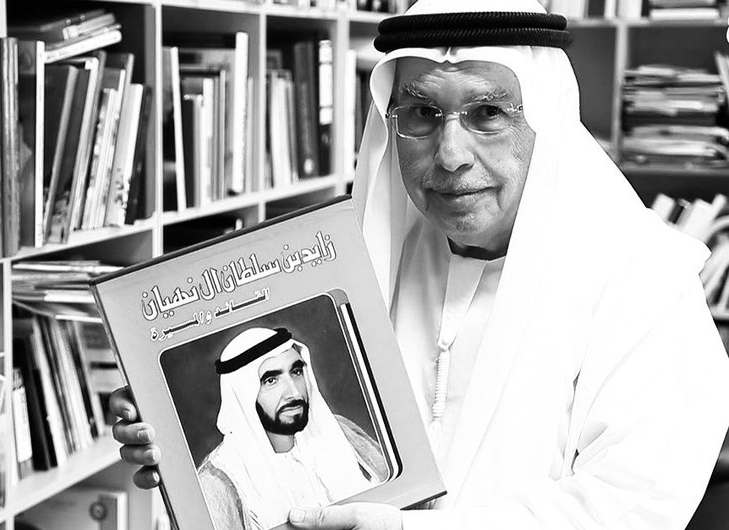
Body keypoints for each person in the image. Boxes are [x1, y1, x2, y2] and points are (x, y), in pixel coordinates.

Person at [109, 0, 729, 527]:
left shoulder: (645, 284)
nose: (451, 154)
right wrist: (171, 435)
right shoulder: (356, 265)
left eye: (488, 113)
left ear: (545, 118)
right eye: (423, 114)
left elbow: (632, 507)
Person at [196, 327, 388, 530]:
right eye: (271, 381)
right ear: (243, 395)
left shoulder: (341, 432)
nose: (294, 392)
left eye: (296, 372)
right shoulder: (217, 484)